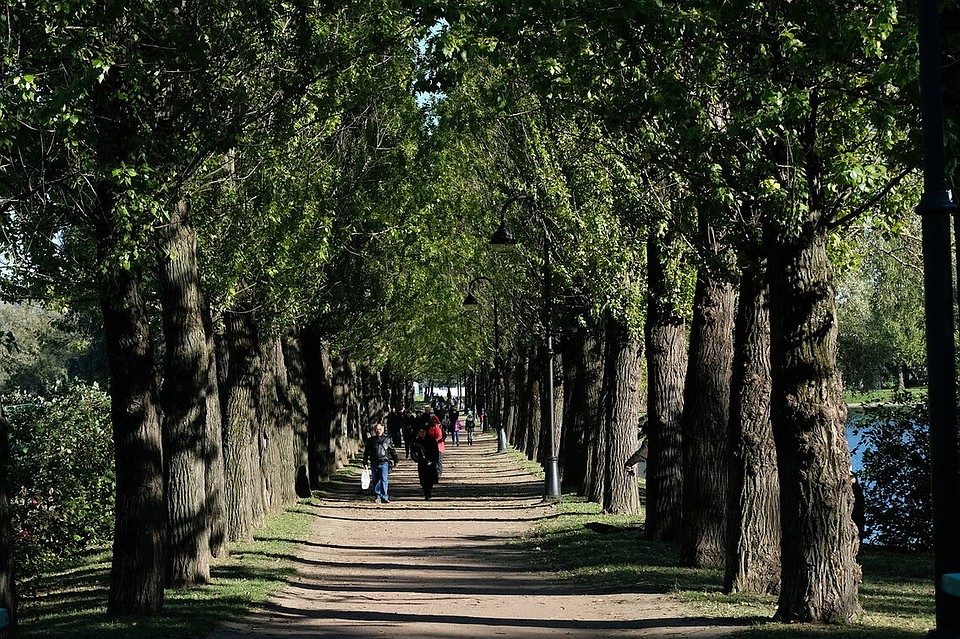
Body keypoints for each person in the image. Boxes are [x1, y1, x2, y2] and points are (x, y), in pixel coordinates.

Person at [362, 423, 399, 504]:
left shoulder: (387, 440)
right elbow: (366, 452)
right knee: (375, 480)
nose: (378, 431)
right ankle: (377, 496)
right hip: (374, 463)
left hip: (384, 463)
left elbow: (392, 450)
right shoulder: (371, 440)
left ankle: (384, 496)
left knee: (384, 480)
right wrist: (365, 462)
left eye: (380, 429)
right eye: (376, 429)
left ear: (383, 429)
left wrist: (395, 460)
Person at [410, 425, 440, 499]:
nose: (422, 433)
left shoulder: (431, 440)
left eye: (423, 431)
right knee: (422, 479)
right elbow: (413, 452)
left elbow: (436, 451)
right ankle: (426, 493)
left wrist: (434, 460)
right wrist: (417, 459)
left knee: (430, 478)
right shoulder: (416, 442)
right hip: (421, 462)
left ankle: (429, 491)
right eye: (420, 432)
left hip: (431, 462)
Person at [427, 414, 446, 481]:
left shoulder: (438, 428)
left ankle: (438, 474)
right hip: (432, 447)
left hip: (438, 447)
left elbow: (439, 437)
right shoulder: (430, 428)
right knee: (433, 461)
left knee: (438, 461)